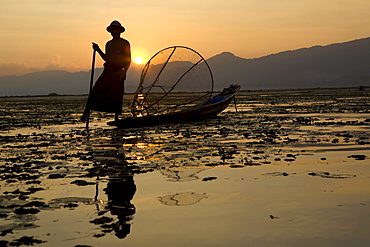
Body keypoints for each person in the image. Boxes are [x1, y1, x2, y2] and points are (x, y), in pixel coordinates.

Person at [81, 20, 131, 122]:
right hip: (108, 70)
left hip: (118, 72)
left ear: (120, 31)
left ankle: (116, 118)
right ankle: (85, 113)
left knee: (117, 94)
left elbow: (128, 59)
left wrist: (124, 72)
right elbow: (106, 58)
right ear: (111, 31)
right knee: (96, 89)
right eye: (113, 29)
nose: (115, 31)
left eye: (116, 29)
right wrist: (98, 49)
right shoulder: (108, 44)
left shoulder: (125, 43)